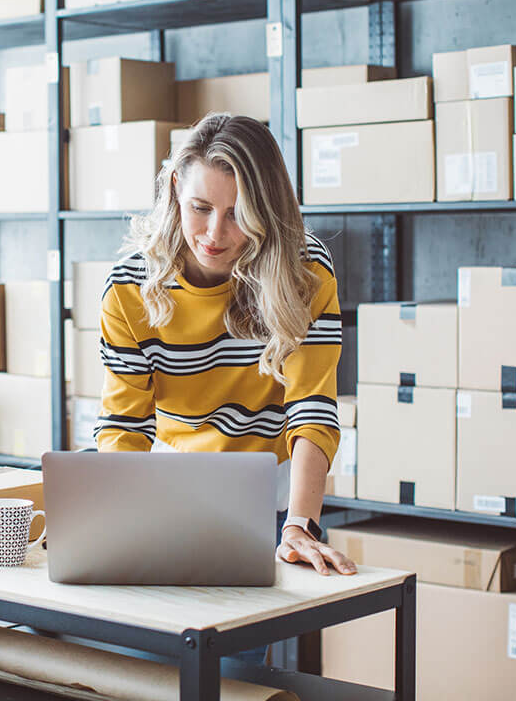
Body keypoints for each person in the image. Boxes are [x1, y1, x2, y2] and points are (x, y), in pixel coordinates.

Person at [94, 112, 357, 584]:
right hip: (168, 490)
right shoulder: (129, 288)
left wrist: (301, 524)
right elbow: (123, 426)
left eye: (238, 214)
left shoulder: (304, 273)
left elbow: (313, 407)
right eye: (200, 207)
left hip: (274, 503)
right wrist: (111, 515)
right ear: (175, 187)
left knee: (233, 645)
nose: (215, 235)